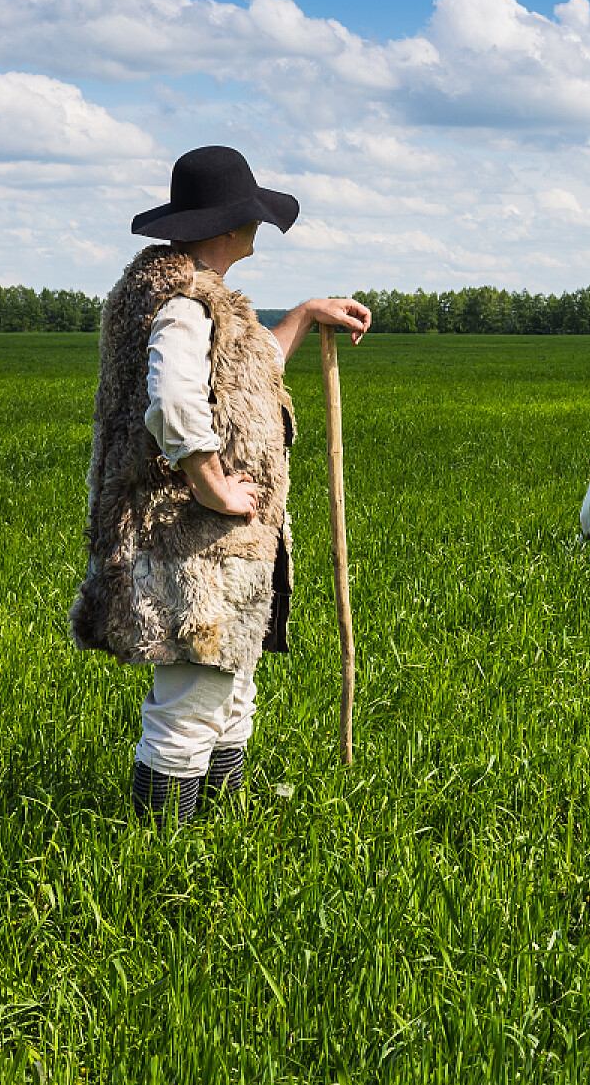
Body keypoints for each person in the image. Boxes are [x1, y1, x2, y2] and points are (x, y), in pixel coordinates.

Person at [70, 146, 370, 824]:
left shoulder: (192, 293)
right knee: (190, 702)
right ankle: (162, 859)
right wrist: (210, 484)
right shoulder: (182, 302)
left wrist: (300, 317)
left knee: (228, 690)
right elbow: (174, 402)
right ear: (231, 226)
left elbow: (240, 369)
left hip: (218, 548)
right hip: (187, 543)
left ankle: (216, 837)